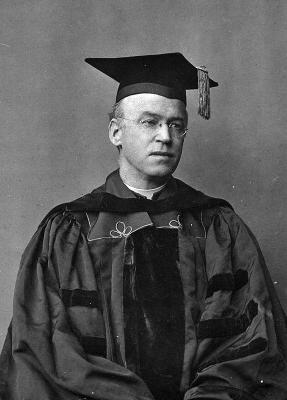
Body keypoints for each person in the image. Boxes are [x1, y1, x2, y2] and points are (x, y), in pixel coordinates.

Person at [0, 52, 286, 400]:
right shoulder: (70, 229)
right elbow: (45, 350)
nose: (165, 136)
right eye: (150, 122)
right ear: (116, 132)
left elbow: (252, 340)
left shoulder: (216, 225)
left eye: (177, 125)